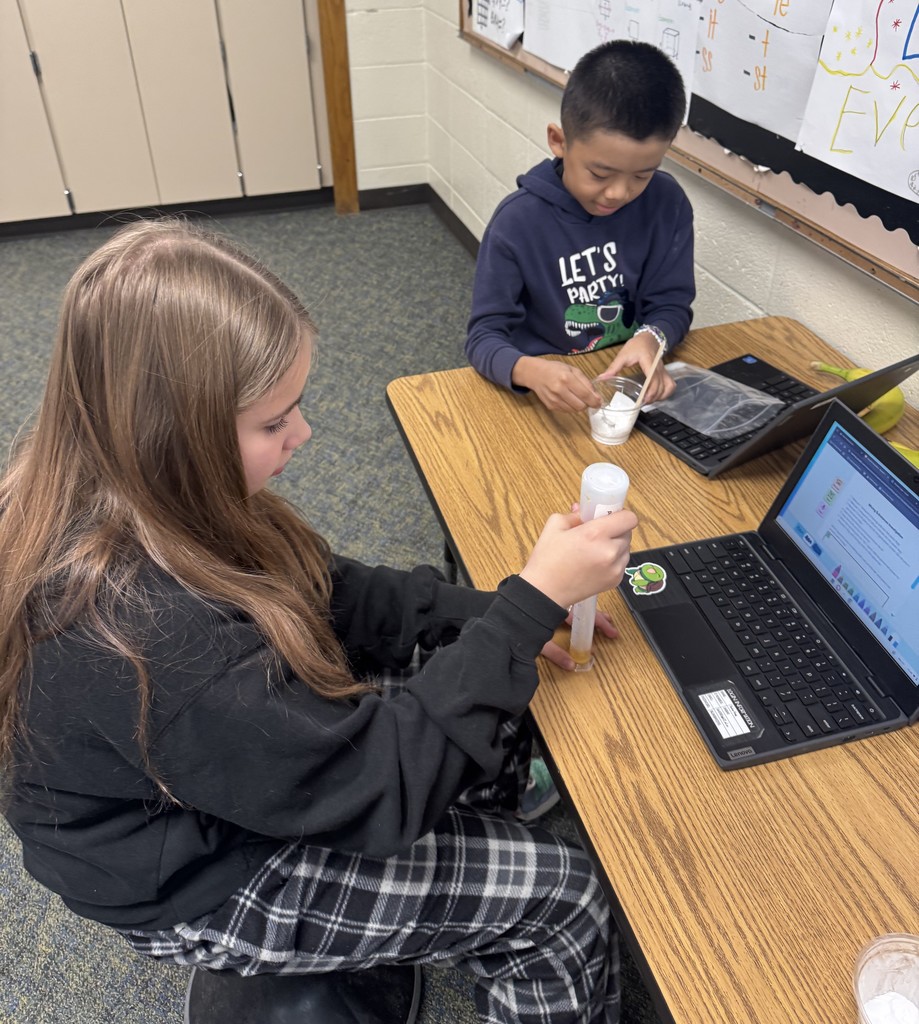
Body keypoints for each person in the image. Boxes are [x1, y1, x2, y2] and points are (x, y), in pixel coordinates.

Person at [0, 218, 639, 1024]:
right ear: (172, 435)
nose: (302, 436)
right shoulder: (151, 637)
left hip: (212, 769)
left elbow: (323, 587)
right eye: (273, 424)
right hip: (201, 877)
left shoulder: (135, 486)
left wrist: (485, 614)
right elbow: (375, 790)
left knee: (479, 683)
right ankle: (505, 907)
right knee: (562, 893)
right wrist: (523, 612)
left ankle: (475, 852)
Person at [466, 39, 695, 413]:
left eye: (642, 174)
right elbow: (483, 337)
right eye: (599, 173)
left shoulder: (666, 203)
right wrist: (528, 370)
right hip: (543, 392)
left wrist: (652, 337)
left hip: (625, 386)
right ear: (559, 141)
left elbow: (671, 304)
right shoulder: (517, 222)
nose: (619, 193)